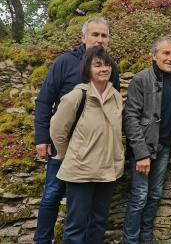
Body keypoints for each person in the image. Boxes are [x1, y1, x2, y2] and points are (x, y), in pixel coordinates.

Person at [33, 16, 120, 244]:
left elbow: (110, 104)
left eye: (104, 35)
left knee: (89, 209)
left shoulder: (111, 67)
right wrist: (42, 139)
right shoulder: (64, 63)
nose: (100, 40)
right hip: (63, 145)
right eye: (95, 34)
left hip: (94, 151)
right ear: (83, 37)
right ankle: (42, 240)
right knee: (52, 194)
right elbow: (44, 101)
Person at [49, 45, 124, 243]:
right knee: (76, 225)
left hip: (107, 171)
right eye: (98, 65)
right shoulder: (76, 96)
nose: (104, 69)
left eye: (107, 65)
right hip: (80, 171)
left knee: (99, 222)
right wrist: (69, 155)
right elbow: (57, 130)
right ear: (87, 69)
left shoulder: (116, 96)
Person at [122, 37, 171, 244]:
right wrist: (141, 153)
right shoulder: (141, 79)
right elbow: (130, 117)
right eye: (166, 53)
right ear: (154, 55)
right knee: (139, 196)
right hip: (144, 149)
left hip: (165, 147)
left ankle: (146, 236)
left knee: (155, 194)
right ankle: (130, 239)